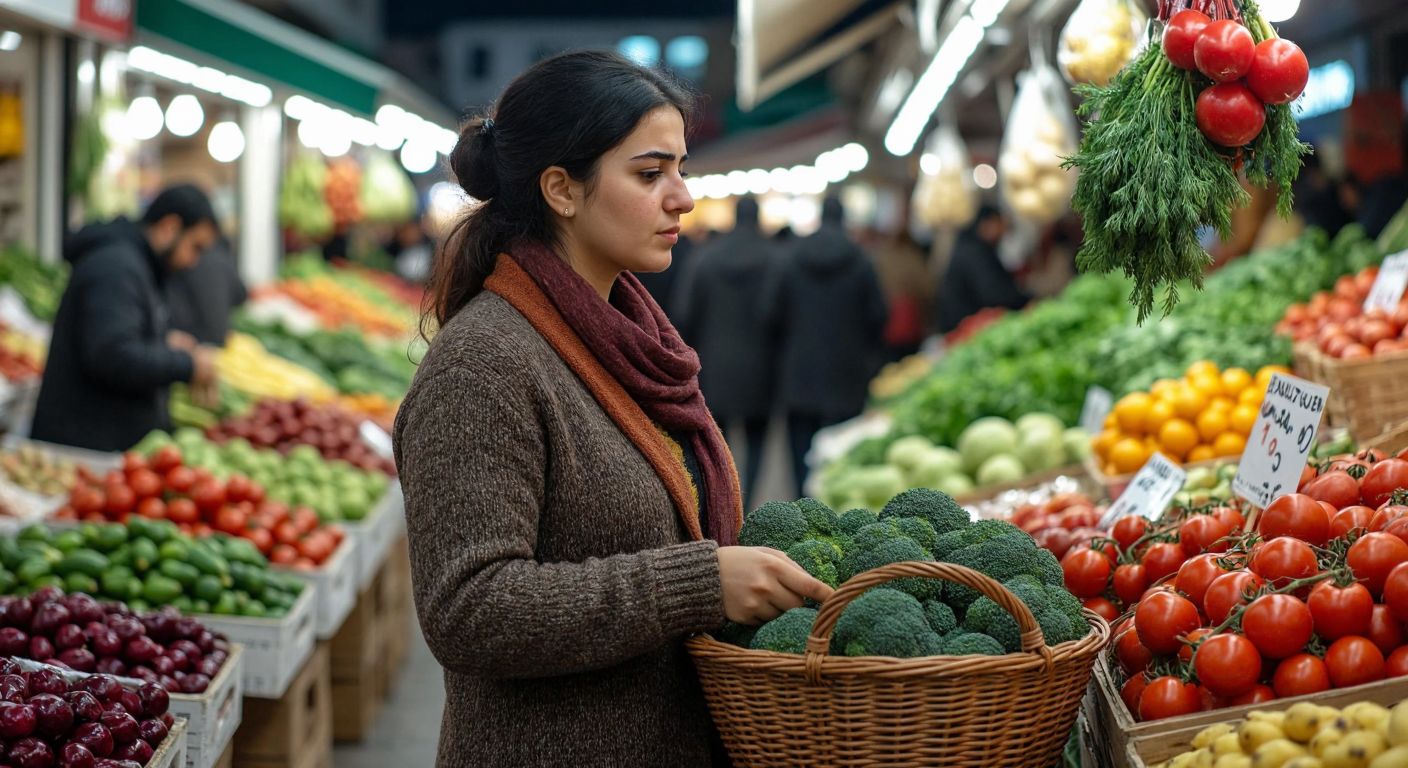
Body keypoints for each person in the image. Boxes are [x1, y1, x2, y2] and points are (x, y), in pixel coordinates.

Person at [393, 50, 832, 768]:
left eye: (680, 169)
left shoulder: (626, 341)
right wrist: (701, 582)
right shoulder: (484, 365)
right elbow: (469, 608)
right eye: (650, 173)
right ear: (563, 189)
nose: (683, 197)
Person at [31, 184, 221, 451]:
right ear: (169, 227)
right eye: (196, 247)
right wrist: (186, 365)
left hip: (100, 444)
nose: (194, 261)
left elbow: (113, 333)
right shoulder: (116, 268)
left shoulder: (136, 264)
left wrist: (161, 340)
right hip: (85, 449)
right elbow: (113, 354)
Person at [764, 195, 888, 495]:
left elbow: (770, 313)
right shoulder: (860, 260)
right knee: (839, 453)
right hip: (847, 371)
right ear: (844, 219)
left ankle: (802, 508)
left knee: (800, 450)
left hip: (799, 369)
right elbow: (878, 315)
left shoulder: (791, 258)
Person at [673, 197, 777, 509]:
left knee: (718, 441)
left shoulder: (705, 259)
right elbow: (781, 315)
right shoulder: (775, 259)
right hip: (762, 365)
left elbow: (684, 313)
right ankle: (751, 500)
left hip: (713, 364)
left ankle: (727, 504)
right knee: (758, 439)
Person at [934, 204, 1029, 334]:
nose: (1003, 232)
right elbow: (994, 293)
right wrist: (1024, 300)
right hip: (964, 331)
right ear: (986, 225)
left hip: (962, 327)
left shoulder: (969, 248)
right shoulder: (974, 252)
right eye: (1000, 225)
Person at [166, 235, 248, 346]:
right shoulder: (221, 257)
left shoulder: (195, 261)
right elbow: (240, 295)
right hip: (204, 346)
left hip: (192, 343)